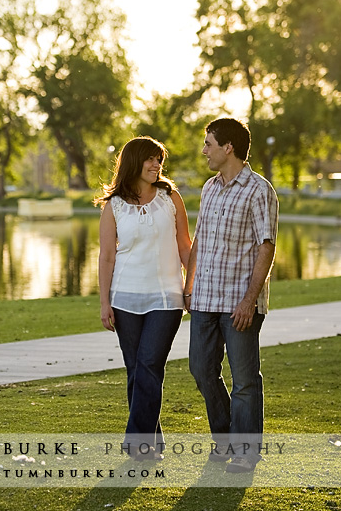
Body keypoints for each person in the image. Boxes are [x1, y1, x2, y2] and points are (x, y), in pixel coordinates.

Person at [184, 118, 278, 474]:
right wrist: (189, 284)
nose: (204, 150)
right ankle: (224, 441)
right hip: (205, 300)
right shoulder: (209, 188)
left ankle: (245, 452)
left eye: (208, 143)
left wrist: (249, 300)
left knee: (245, 380)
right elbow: (200, 240)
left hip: (239, 304)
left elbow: (266, 247)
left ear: (229, 148)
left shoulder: (259, 190)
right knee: (201, 370)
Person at [95, 136, 192, 460]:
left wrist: (190, 285)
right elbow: (107, 256)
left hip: (166, 298)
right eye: (151, 159)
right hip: (124, 298)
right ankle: (153, 442)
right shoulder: (114, 205)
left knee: (150, 364)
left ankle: (137, 443)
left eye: (159, 160)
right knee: (137, 371)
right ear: (134, 162)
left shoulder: (170, 198)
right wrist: (104, 301)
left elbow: (184, 247)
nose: (156, 166)